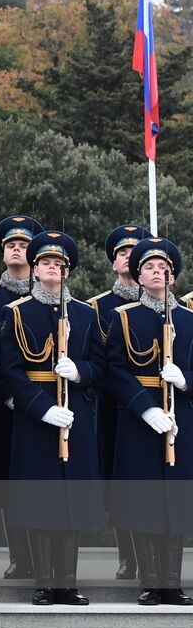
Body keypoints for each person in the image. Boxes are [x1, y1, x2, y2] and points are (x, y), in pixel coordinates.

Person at [0, 231, 104, 606]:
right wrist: (42, 408)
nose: (52, 268)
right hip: (36, 417)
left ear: (67, 271)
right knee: (40, 499)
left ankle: (67, 583)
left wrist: (80, 372)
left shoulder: (85, 314)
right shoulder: (17, 312)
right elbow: (10, 371)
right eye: (45, 262)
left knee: (70, 500)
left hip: (74, 414)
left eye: (58, 264)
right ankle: (44, 583)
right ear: (34, 268)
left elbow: (101, 366)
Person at [103, 237, 193, 606]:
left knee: (175, 501)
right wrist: (146, 408)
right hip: (140, 421)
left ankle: (172, 583)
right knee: (145, 501)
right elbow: (115, 371)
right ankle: (150, 582)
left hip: (181, 418)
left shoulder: (189, 319)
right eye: (150, 268)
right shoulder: (123, 317)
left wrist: (185, 380)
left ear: (173, 277)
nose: (157, 273)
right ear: (138, 277)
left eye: (163, 269)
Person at [0, 215, 44, 582]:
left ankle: (44, 556)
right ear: (2, 253)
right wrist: (8, 396)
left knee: (40, 480)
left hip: (44, 405)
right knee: (6, 480)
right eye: (11, 245)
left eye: (24, 245)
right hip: (3, 406)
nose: (17, 249)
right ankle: (20, 556)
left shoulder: (49, 296)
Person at [90, 224, 151, 581]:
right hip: (113, 405)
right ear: (114, 264)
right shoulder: (98, 307)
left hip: (153, 405)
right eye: (122, 254)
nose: (128, 258)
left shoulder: (161, 305)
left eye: (134, 252)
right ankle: (127, 554)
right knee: (119, 481)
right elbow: (99, 360)